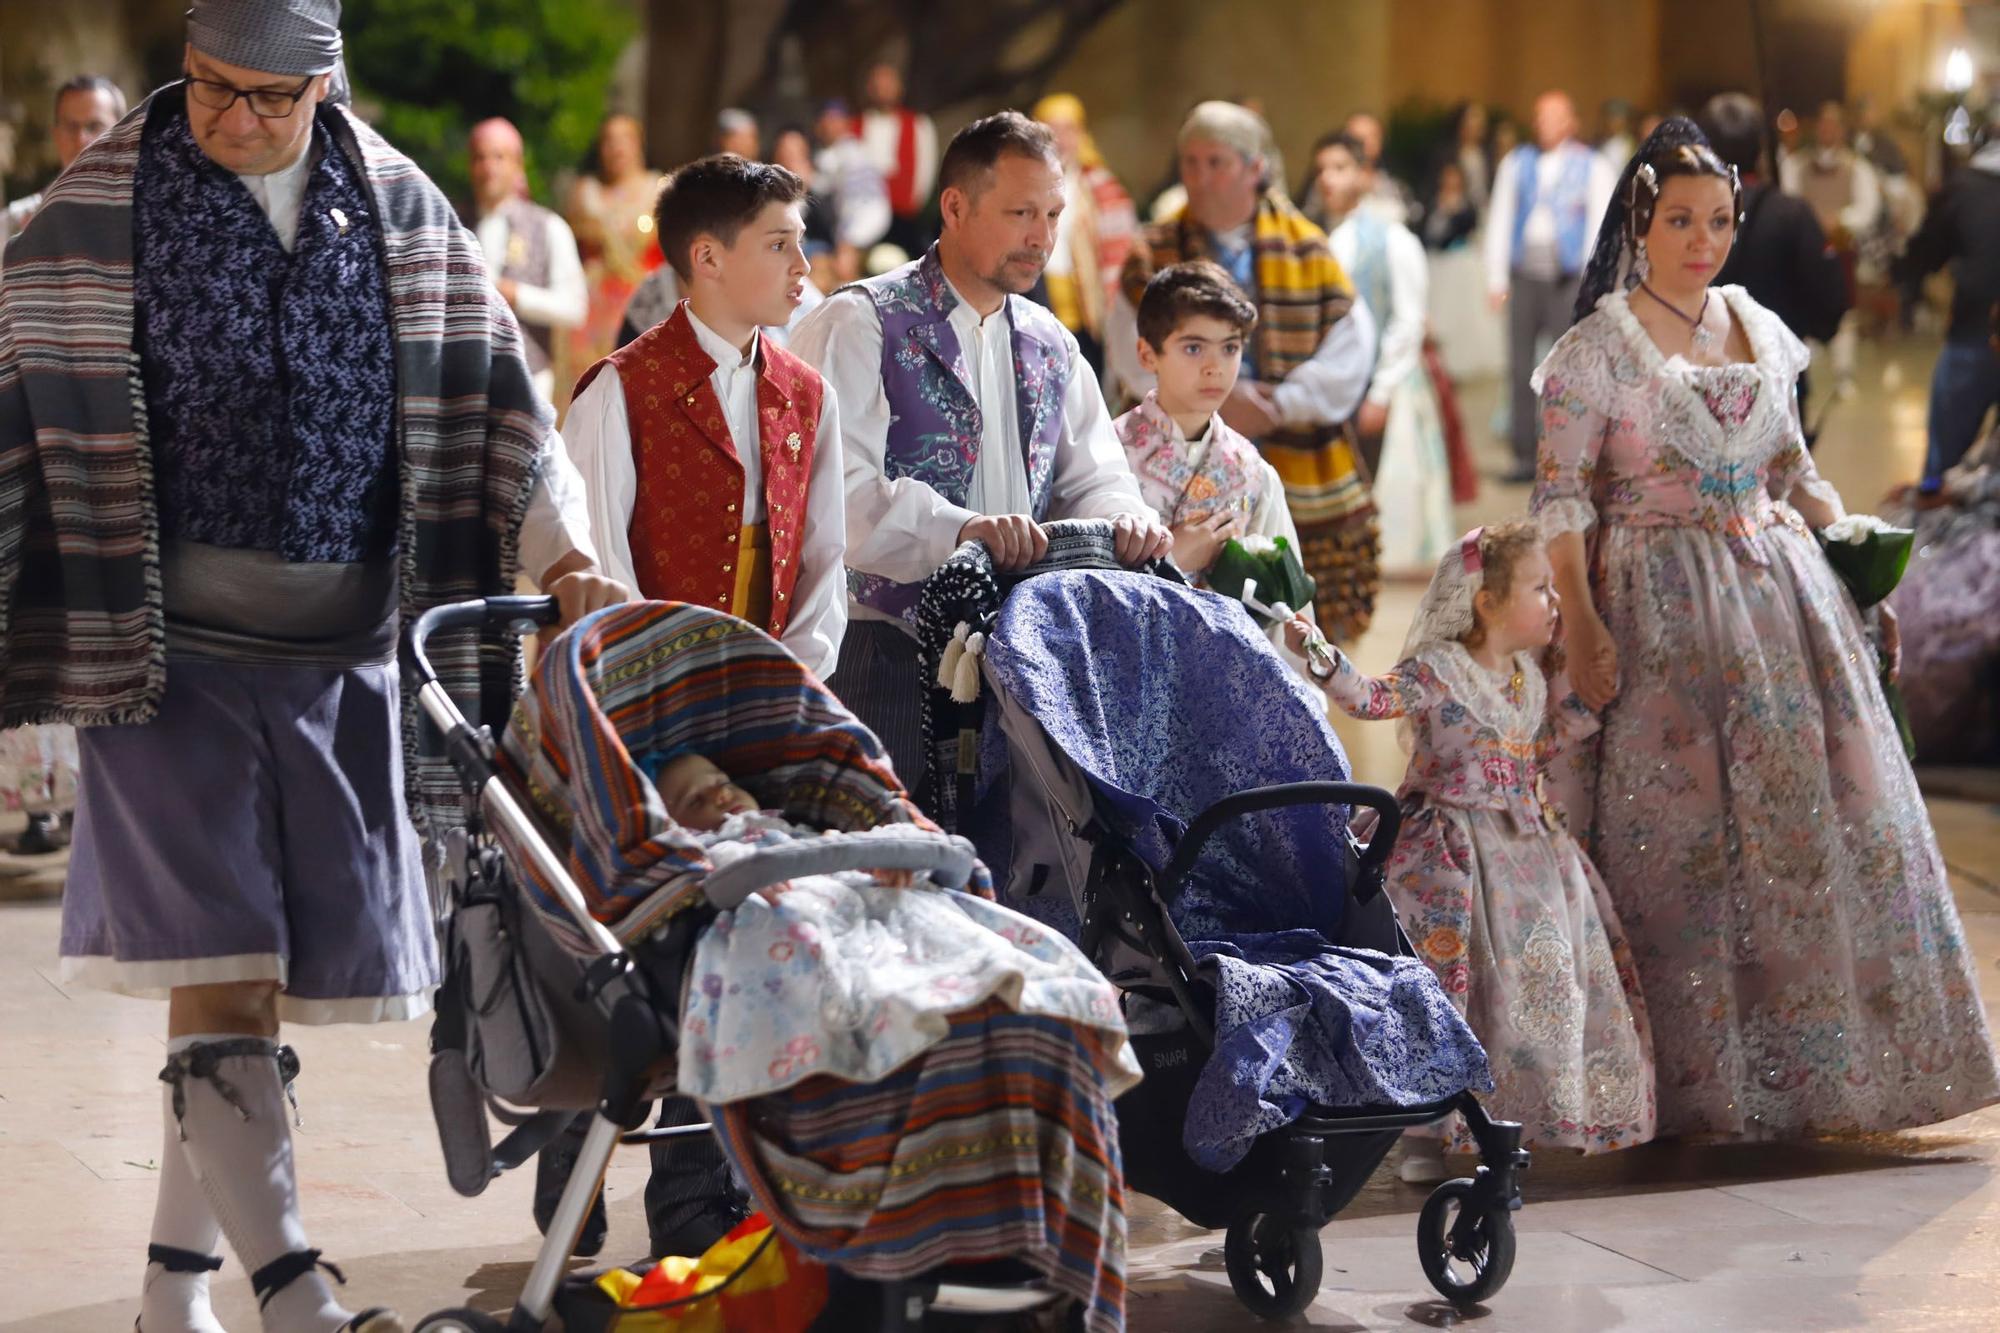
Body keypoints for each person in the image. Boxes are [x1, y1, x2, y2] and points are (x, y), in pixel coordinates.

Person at [0, 3, 627, 1330]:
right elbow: (18, 368)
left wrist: (567, 554)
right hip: (161, 660)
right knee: (222, 961)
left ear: (322, 86)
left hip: (346, 656)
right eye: (212, 87)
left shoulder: (396, 206)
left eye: (266, 99)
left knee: (257, 981)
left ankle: (176, 1293)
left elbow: (494, 391)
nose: (233, 118)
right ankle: (297, 1292)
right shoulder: (97, 202)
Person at [1531, 117, 2000, 1140]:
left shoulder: (1757, 327)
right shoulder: (1593, 351)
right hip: (1655, 604)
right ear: (1638, 223)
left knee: (1805, 839)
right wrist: (1580, 626)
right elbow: (1561, 496)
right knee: (1680, 842)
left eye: (1717, 220)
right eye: (1678, 220)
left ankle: (1817, 1072)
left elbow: (1792, 469)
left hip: (1776, 603)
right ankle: (1687, 1082)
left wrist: (1851, 544)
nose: (1701, 240)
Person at [791, 110, 1170, 786]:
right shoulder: (861, 321)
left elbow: (1093, 474)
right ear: (956, 206)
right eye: (1021, 212)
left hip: (1025, 651)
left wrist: (1125, 517)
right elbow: (837, 496)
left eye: (1054, 213)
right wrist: (962, 530)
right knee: (900, 868)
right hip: (885, 649)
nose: (1043, 237)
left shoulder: (1050, 341)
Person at [1285, 520, 1654, 1179]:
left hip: (1528, 853)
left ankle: (1506, 1114)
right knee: (1448, 980)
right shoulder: (1438, 671)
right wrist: (1318, 650)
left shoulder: (1527, 679)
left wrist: (1589, 693)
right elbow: (1371, 698)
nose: (1554, 602)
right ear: (1487, 602)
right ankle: (1426, 1129)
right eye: (1540, 588)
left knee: (1533, 983)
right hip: (1448, 850)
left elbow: (1534, 747)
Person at [567, 155, 846, 680]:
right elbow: (601, 564)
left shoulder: (810, 395)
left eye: (800, 243)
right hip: (651, 687)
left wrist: (793, 681)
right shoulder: (620, 390)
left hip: (777, 684)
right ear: (708, 258)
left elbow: (824, 561)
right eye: (778, 244)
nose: (803, 267)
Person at [1110, 101, 1381, 641]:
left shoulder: (1307, 247)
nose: (1199, 178)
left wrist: (1283, 404)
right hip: (1181, 424)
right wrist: (1211, 396)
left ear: (1256, 168)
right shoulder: (1153, 248)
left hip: (1289, 440)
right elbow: (1125, 341)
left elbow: (1351, 346)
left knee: (1285, 609)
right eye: (1189, 162)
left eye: (1216, 162)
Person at [1317, 131, 1455, 572]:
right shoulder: (1326, 235)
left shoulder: (1391, 239)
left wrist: (1381, 389)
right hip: (1341, 384)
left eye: (1339, 169)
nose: (1327, 180)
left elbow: (1407, 319)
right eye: (1322, 170)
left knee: (1393, 483)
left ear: (1365, 175)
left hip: (1383, 382)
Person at [1113, 261, 1299, 584]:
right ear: (1147, 354)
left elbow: (1281, 599)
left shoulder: (1253, 472)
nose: (1214, 367)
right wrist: (1170, 559)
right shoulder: (1108, 453)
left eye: (1230, 348)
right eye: (1194, 348)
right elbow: (1077, 586)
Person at [1486, 89, 1619, 483]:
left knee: (1567, 370)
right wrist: (1495, 277)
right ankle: (1524, 454)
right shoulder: (1518, 163)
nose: (1543, 123)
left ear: (1570, 121)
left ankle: (1566, 453)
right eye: (1539, 115)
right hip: (1525, 274)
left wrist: (1596, 284)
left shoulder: (1592, 165)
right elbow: (1501, 216)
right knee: (1520, 365)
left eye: (1552, 116)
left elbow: (1601, 224)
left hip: (1568, 279)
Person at [1886, 304, 2000, 764]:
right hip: (1979, 515)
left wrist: (1950, 491)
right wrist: (1930, 489)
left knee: (1936, 606)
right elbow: (1982, 466)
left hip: (1988, 531)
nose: (1992, 344)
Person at [1896, 102, 2000, 493]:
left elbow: (1927, 250)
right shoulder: (1967, 185)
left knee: (1943, 471)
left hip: (1972, 334)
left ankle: (1933, 539)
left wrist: (1906, 276)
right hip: (1976, 331)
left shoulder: (1966, 185)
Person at [465, 117, 587, 403]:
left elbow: (575, 307)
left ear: (517, 165)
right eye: (480, 157)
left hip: (528, 379)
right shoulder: (453, 225)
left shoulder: (548, 226)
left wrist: (518, 295)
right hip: (465, 378)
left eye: (499, 157)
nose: (488, 167)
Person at [1030, 92, 1139, 373]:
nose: (1061, 139)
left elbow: (1124, 255)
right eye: (1051, 129)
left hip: (1089, 315)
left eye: (1069, 129)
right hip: (1036, 301)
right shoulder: (1022, 187)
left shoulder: (1102, 189)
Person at [1780, 101, 1881, 392]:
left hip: (1840, 248)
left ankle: (1843, 372)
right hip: (1805, 247)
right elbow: (1789, 198)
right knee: (1803, 302)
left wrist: (1840, 221)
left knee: (1844, 308)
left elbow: (1867, 208)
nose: (1827, 130)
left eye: (1833, 125)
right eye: (1823, 124)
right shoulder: (1796, 165)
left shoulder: (1857, 168)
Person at [567, 112, 664, 376]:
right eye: (609, 140)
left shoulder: (658, 190)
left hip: (642, 310)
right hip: (590, 315)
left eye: (625, 138)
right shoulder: (585, 192)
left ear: (638, 143)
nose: (617, 147)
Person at [1, 74, 127, 244]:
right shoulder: (13, 224)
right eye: (71, 127)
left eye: (95, 126)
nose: (81, 139)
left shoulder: (152, 215)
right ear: (56, 135)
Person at [853, 61, 939, 258]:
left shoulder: (918, 125)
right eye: (878, 84)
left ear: (900, 87)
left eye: (888, 83)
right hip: (864, 218)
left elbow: (925, 173)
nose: (883, 90)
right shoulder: (855, 126)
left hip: (904, 219)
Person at [811, 99, 891, 283]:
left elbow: (818, 186)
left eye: (836, 119)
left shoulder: (832, 155)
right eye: (827, 120)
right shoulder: (860, 148)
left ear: (846, 123)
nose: (831, 125)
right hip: (875, 221)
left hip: (861, 221)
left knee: (843, 272)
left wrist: (848, 239)